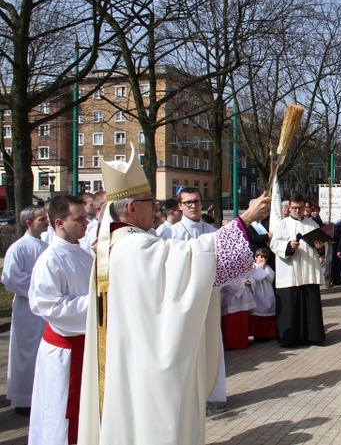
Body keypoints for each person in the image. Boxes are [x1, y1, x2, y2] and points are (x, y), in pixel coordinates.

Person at [78, 149, 270, 445]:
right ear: (130, 209)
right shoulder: (135, 248)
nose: (155, 207)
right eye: (148, 202)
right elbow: (195, 260)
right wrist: (245, 219)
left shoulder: (115, 246)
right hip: (147, 362)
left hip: (131, 355)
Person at [28, 195, 94, 445]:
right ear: (59, 222)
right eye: (78, 219)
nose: (85, 223)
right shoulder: (49, 260)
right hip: (64, 352)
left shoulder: (85, 255)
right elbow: (51, 307)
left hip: (85, 345)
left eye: (85, 218)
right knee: (60, 416)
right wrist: (99, 302)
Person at [167, 188, 225, 414]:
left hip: (209, 298)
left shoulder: (212, 231)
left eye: (197, 202)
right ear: (179, 206)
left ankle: (213, 395)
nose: (194, 206)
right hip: (182, 300)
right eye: (188, 202)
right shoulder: (170, 233)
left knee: (210, 344)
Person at [2, 206, 49, 417]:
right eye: (41, 219)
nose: (46, 222)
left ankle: (38, 395)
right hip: (25, 307)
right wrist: (38, 286)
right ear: (28, 222)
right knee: (24, 354)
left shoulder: (46, 246)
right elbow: (10, 279)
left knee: (40, 351)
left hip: (42, 309)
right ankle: (23, 398)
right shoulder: (17, 248)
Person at [269, 193, 326, 347]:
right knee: (291, 305)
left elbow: (323, 245)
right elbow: (274, 244)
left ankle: (313, 336)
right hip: (290, 270)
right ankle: (290, 339)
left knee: (310, 303)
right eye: (294, 208)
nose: (297, 210)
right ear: (289, 208)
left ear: (304, 207)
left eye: (300, 208)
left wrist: (321, 248)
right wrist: (288, 246)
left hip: (308, 270)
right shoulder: (282, 224)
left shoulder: (312, 224)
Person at [247, 248, 276, 342]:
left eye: (265, 257)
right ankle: (258, 335)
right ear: (255, 257)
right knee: (258, 313)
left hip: (268, 293)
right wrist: (260, 269)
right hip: (258, 294)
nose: (263, 259)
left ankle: (269, 334)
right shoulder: (253, 267)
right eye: (261, 257)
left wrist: (264, 269)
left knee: (268, 311)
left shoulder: (268, 267)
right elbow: (255, 279)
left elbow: (271, 278)